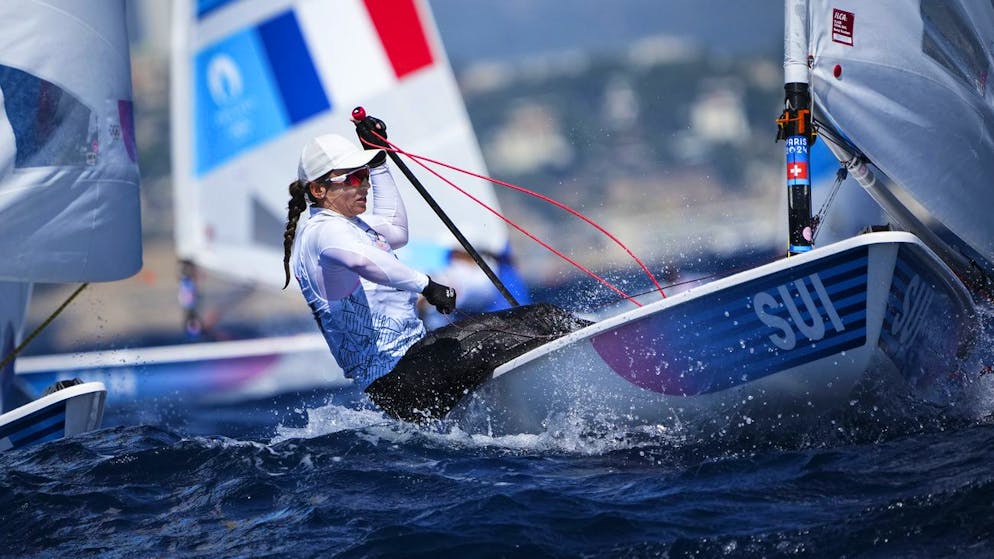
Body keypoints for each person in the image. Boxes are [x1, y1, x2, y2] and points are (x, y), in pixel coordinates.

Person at [282, 132, 457, 391]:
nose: (365, 185)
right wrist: (427, 286)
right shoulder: (322, 232)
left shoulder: (351, 226)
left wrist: (379, 164)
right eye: (353, 178)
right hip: (391, 379)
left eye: (364, 175)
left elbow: (396, 230)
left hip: (412, 363)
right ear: (319, 190)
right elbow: (361, 260)